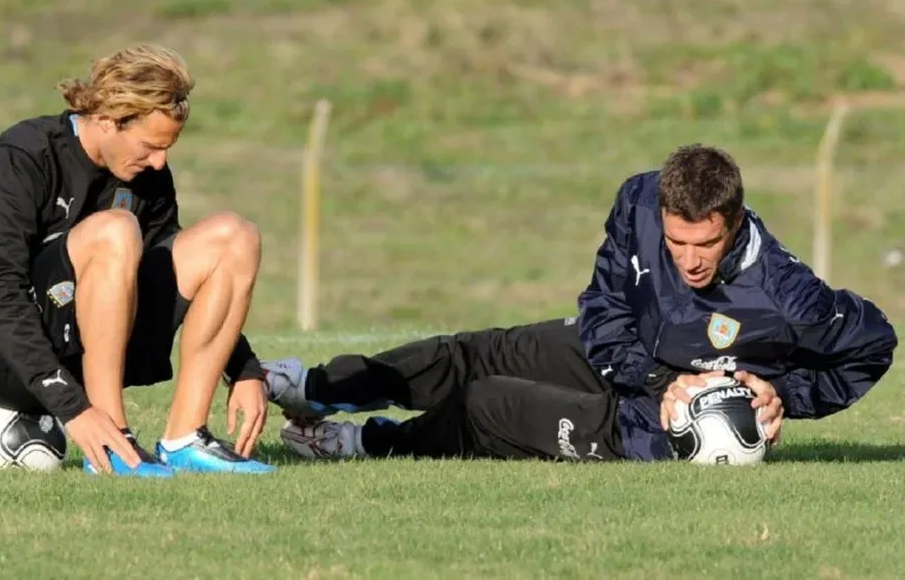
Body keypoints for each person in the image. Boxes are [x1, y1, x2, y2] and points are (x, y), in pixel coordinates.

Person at [263, 144, 897, 463]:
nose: (690, 260)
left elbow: (875, 346)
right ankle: (315, 387)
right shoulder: (638, 201)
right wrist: (656, 375)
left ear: (734, 221)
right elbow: (603, 305)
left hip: (649, 425)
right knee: (474, 354)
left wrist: (784, 394)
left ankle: (364, 445)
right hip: (629, 358)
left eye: (705, 244)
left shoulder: (789, 295)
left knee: (487, 404)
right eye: (676, 242)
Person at [0, 44, 274, 477]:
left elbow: (177, 275)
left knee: (234, 236)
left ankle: (186, 439)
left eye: (167, 148)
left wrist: (243, 368)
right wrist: (72, 406)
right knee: (116, 230)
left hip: (95, 339)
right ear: (108, 118)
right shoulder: (20, 158)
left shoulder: (147, 175)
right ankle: (113, 443)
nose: (160, 161)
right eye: (150, 146)